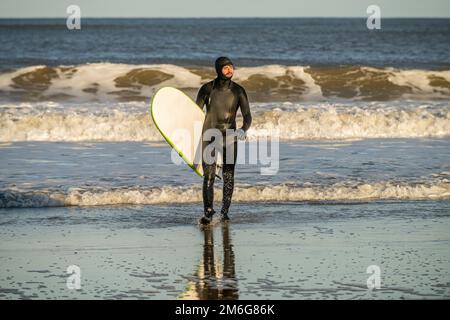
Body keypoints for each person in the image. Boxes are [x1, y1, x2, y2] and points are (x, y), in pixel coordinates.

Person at [195, 57, 252, 224]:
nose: (229, 70)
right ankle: (208, 211)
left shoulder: (238, 91)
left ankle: (225, 212)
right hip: (209, 136)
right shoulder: (206, 89)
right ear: (218, 69)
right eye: (226, 68)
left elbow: (247, 115)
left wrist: (243, 129)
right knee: (209, 175)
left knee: (228, 175)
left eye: (231, 67)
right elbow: (194, 113)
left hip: (230, 137)